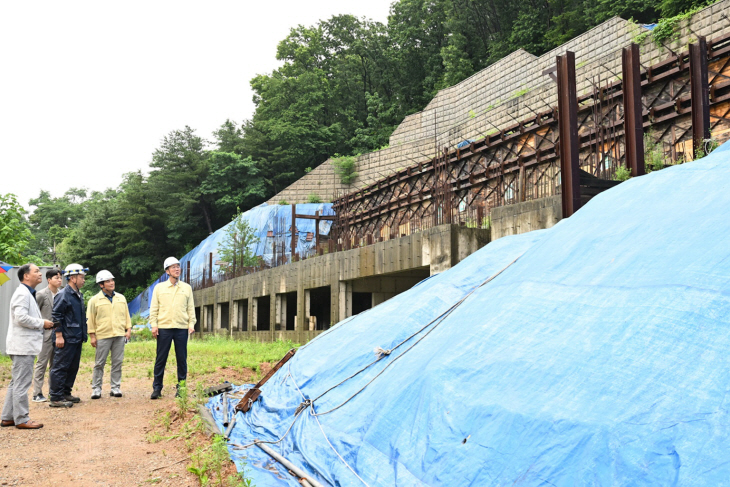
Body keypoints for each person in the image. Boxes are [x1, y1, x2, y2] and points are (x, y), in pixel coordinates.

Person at [1, 264, 54, 429]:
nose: (40, 274)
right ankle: (22, 419)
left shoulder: (28, 293)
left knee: (16, 382)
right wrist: (42, 323)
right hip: (22, 346)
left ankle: (8, 417)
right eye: (36, 271)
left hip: (23, 345)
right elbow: (21, 318)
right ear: (26, 276)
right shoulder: (22, 294)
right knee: (21, 383)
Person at [149, 257, 196, 399]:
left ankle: (181, 388)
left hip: (181, 328)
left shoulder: (186, 288)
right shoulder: (159, 288)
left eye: (178, 266)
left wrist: (191, 324)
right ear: (167, 271)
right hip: (164, 328)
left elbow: (190, 308)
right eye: (173, 267)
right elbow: (154, 308)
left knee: (182, 359)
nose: (177, 269)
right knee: (160, 358)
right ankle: (157, 388)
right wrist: (154, 325)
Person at [87, 270, 131, 399]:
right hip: (103, 335)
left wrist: (128, 330)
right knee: (99, 363)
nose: (111, 283)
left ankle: (115, 387)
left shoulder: (121, 298)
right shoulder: (94, 300)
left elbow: (126, 315)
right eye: (108, 281)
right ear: (101, 285)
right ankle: (96, 389)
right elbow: (90, 319)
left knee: (117, 362)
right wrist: (92, 336)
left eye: (112, 280)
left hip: (119, 334)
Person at [49, 263, 88, 408]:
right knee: (60, 367)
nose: (84, 280)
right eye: (81, 277)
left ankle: (65, 392)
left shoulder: (77, 294)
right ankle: (56, 397)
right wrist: (58, 335)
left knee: (72, 367)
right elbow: (56, 315)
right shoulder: (63, 294)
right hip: (65, 337)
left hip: (76, 337)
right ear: (72, 278)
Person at [31, 268, 63, 402]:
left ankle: (53, 391)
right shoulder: (41, 294)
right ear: (49, 280)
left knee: (55, 364)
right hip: (45, 334)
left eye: (60, 278)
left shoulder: (62, 294)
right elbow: (34, 314)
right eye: (56, 278)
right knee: (41, 363)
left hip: (59, 334)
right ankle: (36, 393)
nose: (59, 280)